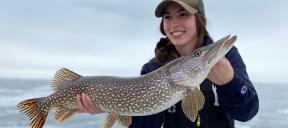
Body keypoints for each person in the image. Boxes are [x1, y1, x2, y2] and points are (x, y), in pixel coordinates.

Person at [76, 0, 259, 127]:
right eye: (167, 17)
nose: (174, 24)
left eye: (183, 14)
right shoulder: (152, 68)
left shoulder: (227, 59)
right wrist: (112, 107)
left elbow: (247, 112)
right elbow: (148, 125)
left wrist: (230, 82)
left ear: (199, 20)